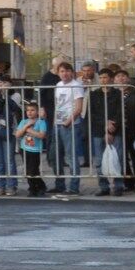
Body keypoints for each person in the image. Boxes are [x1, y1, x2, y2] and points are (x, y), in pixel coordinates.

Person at [51, 60, 85, 194]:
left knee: (71, 156)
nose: (64, 73)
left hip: (70, 125)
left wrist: (68, 121)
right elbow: (58, 104)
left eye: (67, 71)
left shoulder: (76, 85)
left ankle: (74, 187)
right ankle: (59, 185)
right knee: (55, 156)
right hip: (57, 123)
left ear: (72, 72)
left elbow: (78, 107)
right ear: (58, 73)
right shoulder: (58, 85)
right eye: (62, 71)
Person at [15, 100, 50, 197]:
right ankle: (33, 188)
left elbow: (42, 135)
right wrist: (26, 126)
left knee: (33, 170)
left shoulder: (41, 122)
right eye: (28, 110)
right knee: (27, 170)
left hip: (35, 150)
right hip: (24, 149)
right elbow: (17, 134)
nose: (29, 112)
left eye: (32, 110)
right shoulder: (24, 121)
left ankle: (39, 186)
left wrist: (30, 130)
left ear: (37, 112)